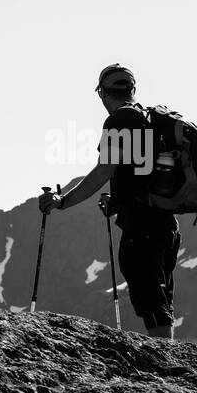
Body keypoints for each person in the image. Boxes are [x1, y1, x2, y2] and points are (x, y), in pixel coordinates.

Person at [38, 64, 180, 339]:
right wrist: (119, 199)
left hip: (143, 227)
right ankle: (167, 360)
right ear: (132, 89)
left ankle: (166, 370)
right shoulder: (151, 119)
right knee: (160, 298)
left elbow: (105, 169)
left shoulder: (120, 120)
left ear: (103, 93)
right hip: (167, 224)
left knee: (152, 301)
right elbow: (144, 173)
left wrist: (63, 201)